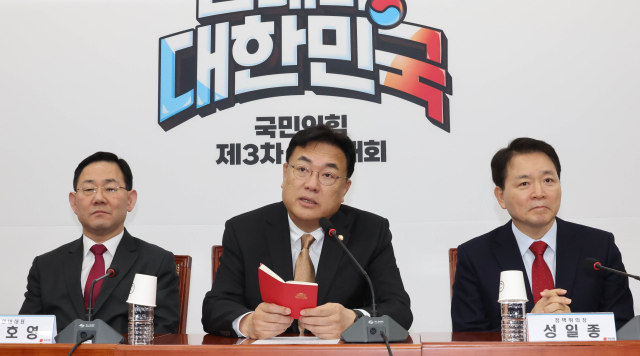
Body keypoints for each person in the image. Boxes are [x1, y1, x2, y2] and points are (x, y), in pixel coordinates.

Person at [202, 125, 412, 339]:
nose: (312, 185)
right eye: (302, 170)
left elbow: (399, 310)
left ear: (345, 189)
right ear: (285, 173)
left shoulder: (371, 231)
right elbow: (215, 308)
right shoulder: (245, 230)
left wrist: (354, 320)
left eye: (328, 175)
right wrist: (248, 323)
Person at [451, 138, 634, 331]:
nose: (539, 193)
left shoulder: (599, 247)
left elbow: (624, 328)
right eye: (524, 183)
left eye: (548, 181)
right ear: (501, 196)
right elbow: (468, 337)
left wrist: (572, 326)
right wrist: (530, 327)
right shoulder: (475, 256)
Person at [19, 152, 181, 334]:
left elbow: (164, 335)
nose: (99, 198)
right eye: (89, 189)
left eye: (110, 189)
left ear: (130, 200)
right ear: (74, 203)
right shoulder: (46, 266)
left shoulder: (156, 263)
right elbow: (25, 335)